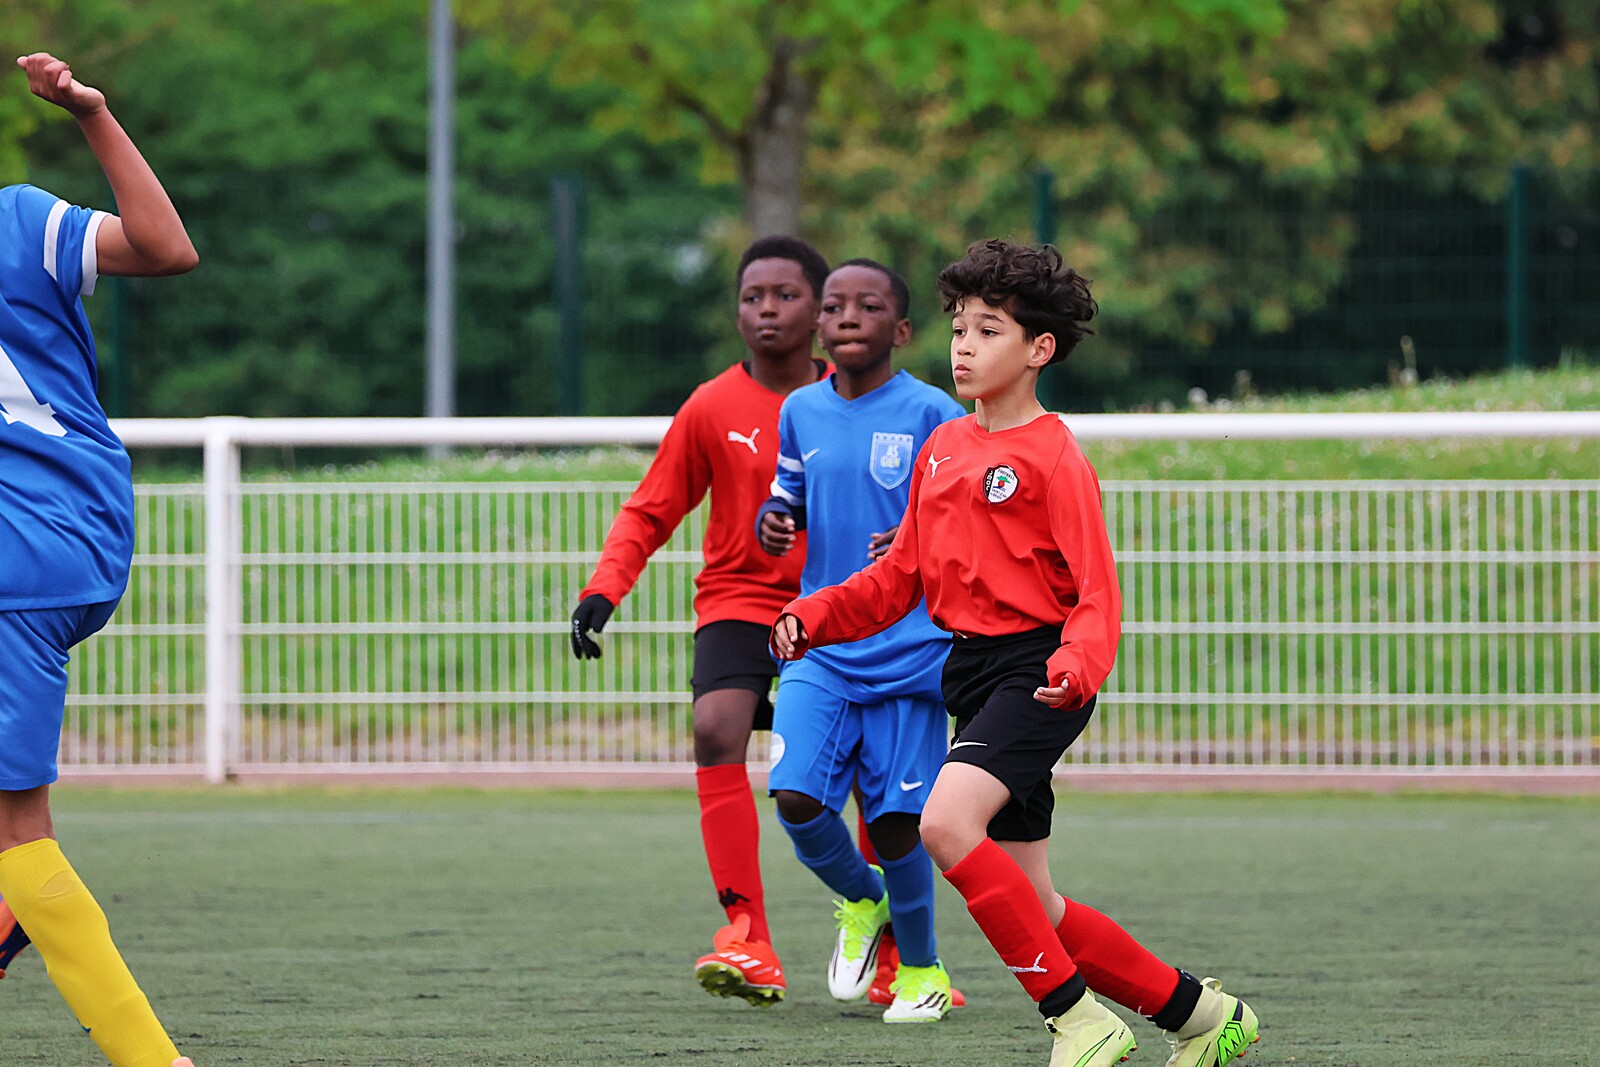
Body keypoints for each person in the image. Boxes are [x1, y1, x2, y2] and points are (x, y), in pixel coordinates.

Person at [772, 239, 1261, 1067]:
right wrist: (814, 613)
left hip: (1040, 672)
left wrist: (1075, 664)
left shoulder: (1055, 455)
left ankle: (1078, 1020)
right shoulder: (943, 447)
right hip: (972, 671)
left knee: (943, 823)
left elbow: (1097, 589)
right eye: (960, 327)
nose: (964, 345)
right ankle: (1205, 1014)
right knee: (1036, 903)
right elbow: (899, 577)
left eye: (989, 330)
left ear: (1039, 349)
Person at [0, 53, 200, 1067]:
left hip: (27, 549)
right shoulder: (17, 219)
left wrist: (93, 114)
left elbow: (167, 249)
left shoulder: (16, 221)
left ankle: (155, 1060)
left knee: (18, 831)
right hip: (67, 533)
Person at [569, 235, 831, 1006]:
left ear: (822, 310)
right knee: (717, 729)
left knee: (851, 769)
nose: (767, 309)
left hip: (839, 605)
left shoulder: (856, 404)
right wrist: (605, 588)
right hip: (740, 600)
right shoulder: (712, 405)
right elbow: (651, 508)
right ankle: (749, 936)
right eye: (752, 297)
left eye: (785, 294)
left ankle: (892, 944)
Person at [756, 259, 966, 1023]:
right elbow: (787, 494)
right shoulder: (800, 410)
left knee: (897, 823)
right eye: (836, 305)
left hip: (912, 649)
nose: (848, 316)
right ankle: (864, 898)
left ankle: (922, 970)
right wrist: (774, 519)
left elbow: (965, 519)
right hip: (820, 641)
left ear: (901, 330)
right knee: (794, 796)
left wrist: (919, 537)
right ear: (819, 327)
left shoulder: (935, 413)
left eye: (869, 306)